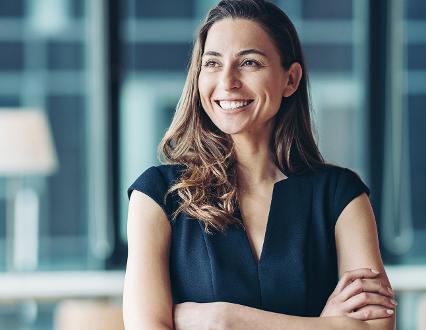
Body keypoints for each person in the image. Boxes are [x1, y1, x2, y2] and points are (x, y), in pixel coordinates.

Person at [122, 0, 396, 329]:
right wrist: (327, 325)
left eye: (249, 62)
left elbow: (375, 327)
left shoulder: (340, 196)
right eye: (212, 63)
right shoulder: (157, 196)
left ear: (290, 79)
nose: (227, 81)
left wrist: (225, 319)